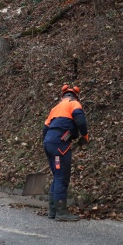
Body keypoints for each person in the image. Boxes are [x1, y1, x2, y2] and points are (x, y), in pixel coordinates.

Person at [42, 85, 89, 221]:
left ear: (63, 96)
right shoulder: (73, 103)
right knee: (62, 177)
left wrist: (49, 144)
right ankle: (61, 212)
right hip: (59, 145)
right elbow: (80, 120)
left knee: (57, 176)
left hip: (49, 143)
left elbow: (45, 128)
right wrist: (84, 136)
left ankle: (53, 211)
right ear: (75, 96)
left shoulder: (55, 108)